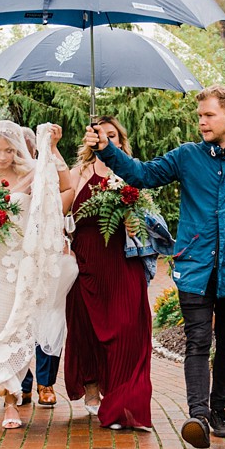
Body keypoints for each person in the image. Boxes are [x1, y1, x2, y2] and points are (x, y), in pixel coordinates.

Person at [84, 84, 225, 449]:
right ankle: (199, 416)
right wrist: (107, 150)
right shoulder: (188, 156)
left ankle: (219, 409)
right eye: (199, 116)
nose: (202, 122)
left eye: (209, 115)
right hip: (194, 263)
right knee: (198, 341)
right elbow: (142, 175)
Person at [0, 121, 71, 434]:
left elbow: (64, 185)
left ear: (19, 149)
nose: (4, 156)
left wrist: (50, 147)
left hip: (17, 265)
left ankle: (11, 401)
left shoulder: (33, 171)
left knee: (16, 328)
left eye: (10, 149)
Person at [64, 115, 154, 431]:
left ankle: (124, 406)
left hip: (123, 259)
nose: (107, 139)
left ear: (120, 139)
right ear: (91, 140)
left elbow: (148, 220)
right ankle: (93, 389)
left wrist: (135, 221)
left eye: (113, 134)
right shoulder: (79, 173)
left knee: (129, 329)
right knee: (88, 331)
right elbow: (63, 214)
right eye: (100, 134)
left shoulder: (131, 172)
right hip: (87, 261)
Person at [17, 126, 63, 409]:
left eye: (20, 146)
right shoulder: (0, 176)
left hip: (45, 256)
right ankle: (21, 384)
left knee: (49, 320)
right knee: (18, 323)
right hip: (14, 258)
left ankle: (45, 384)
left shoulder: (47, 170)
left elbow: (66, 199)